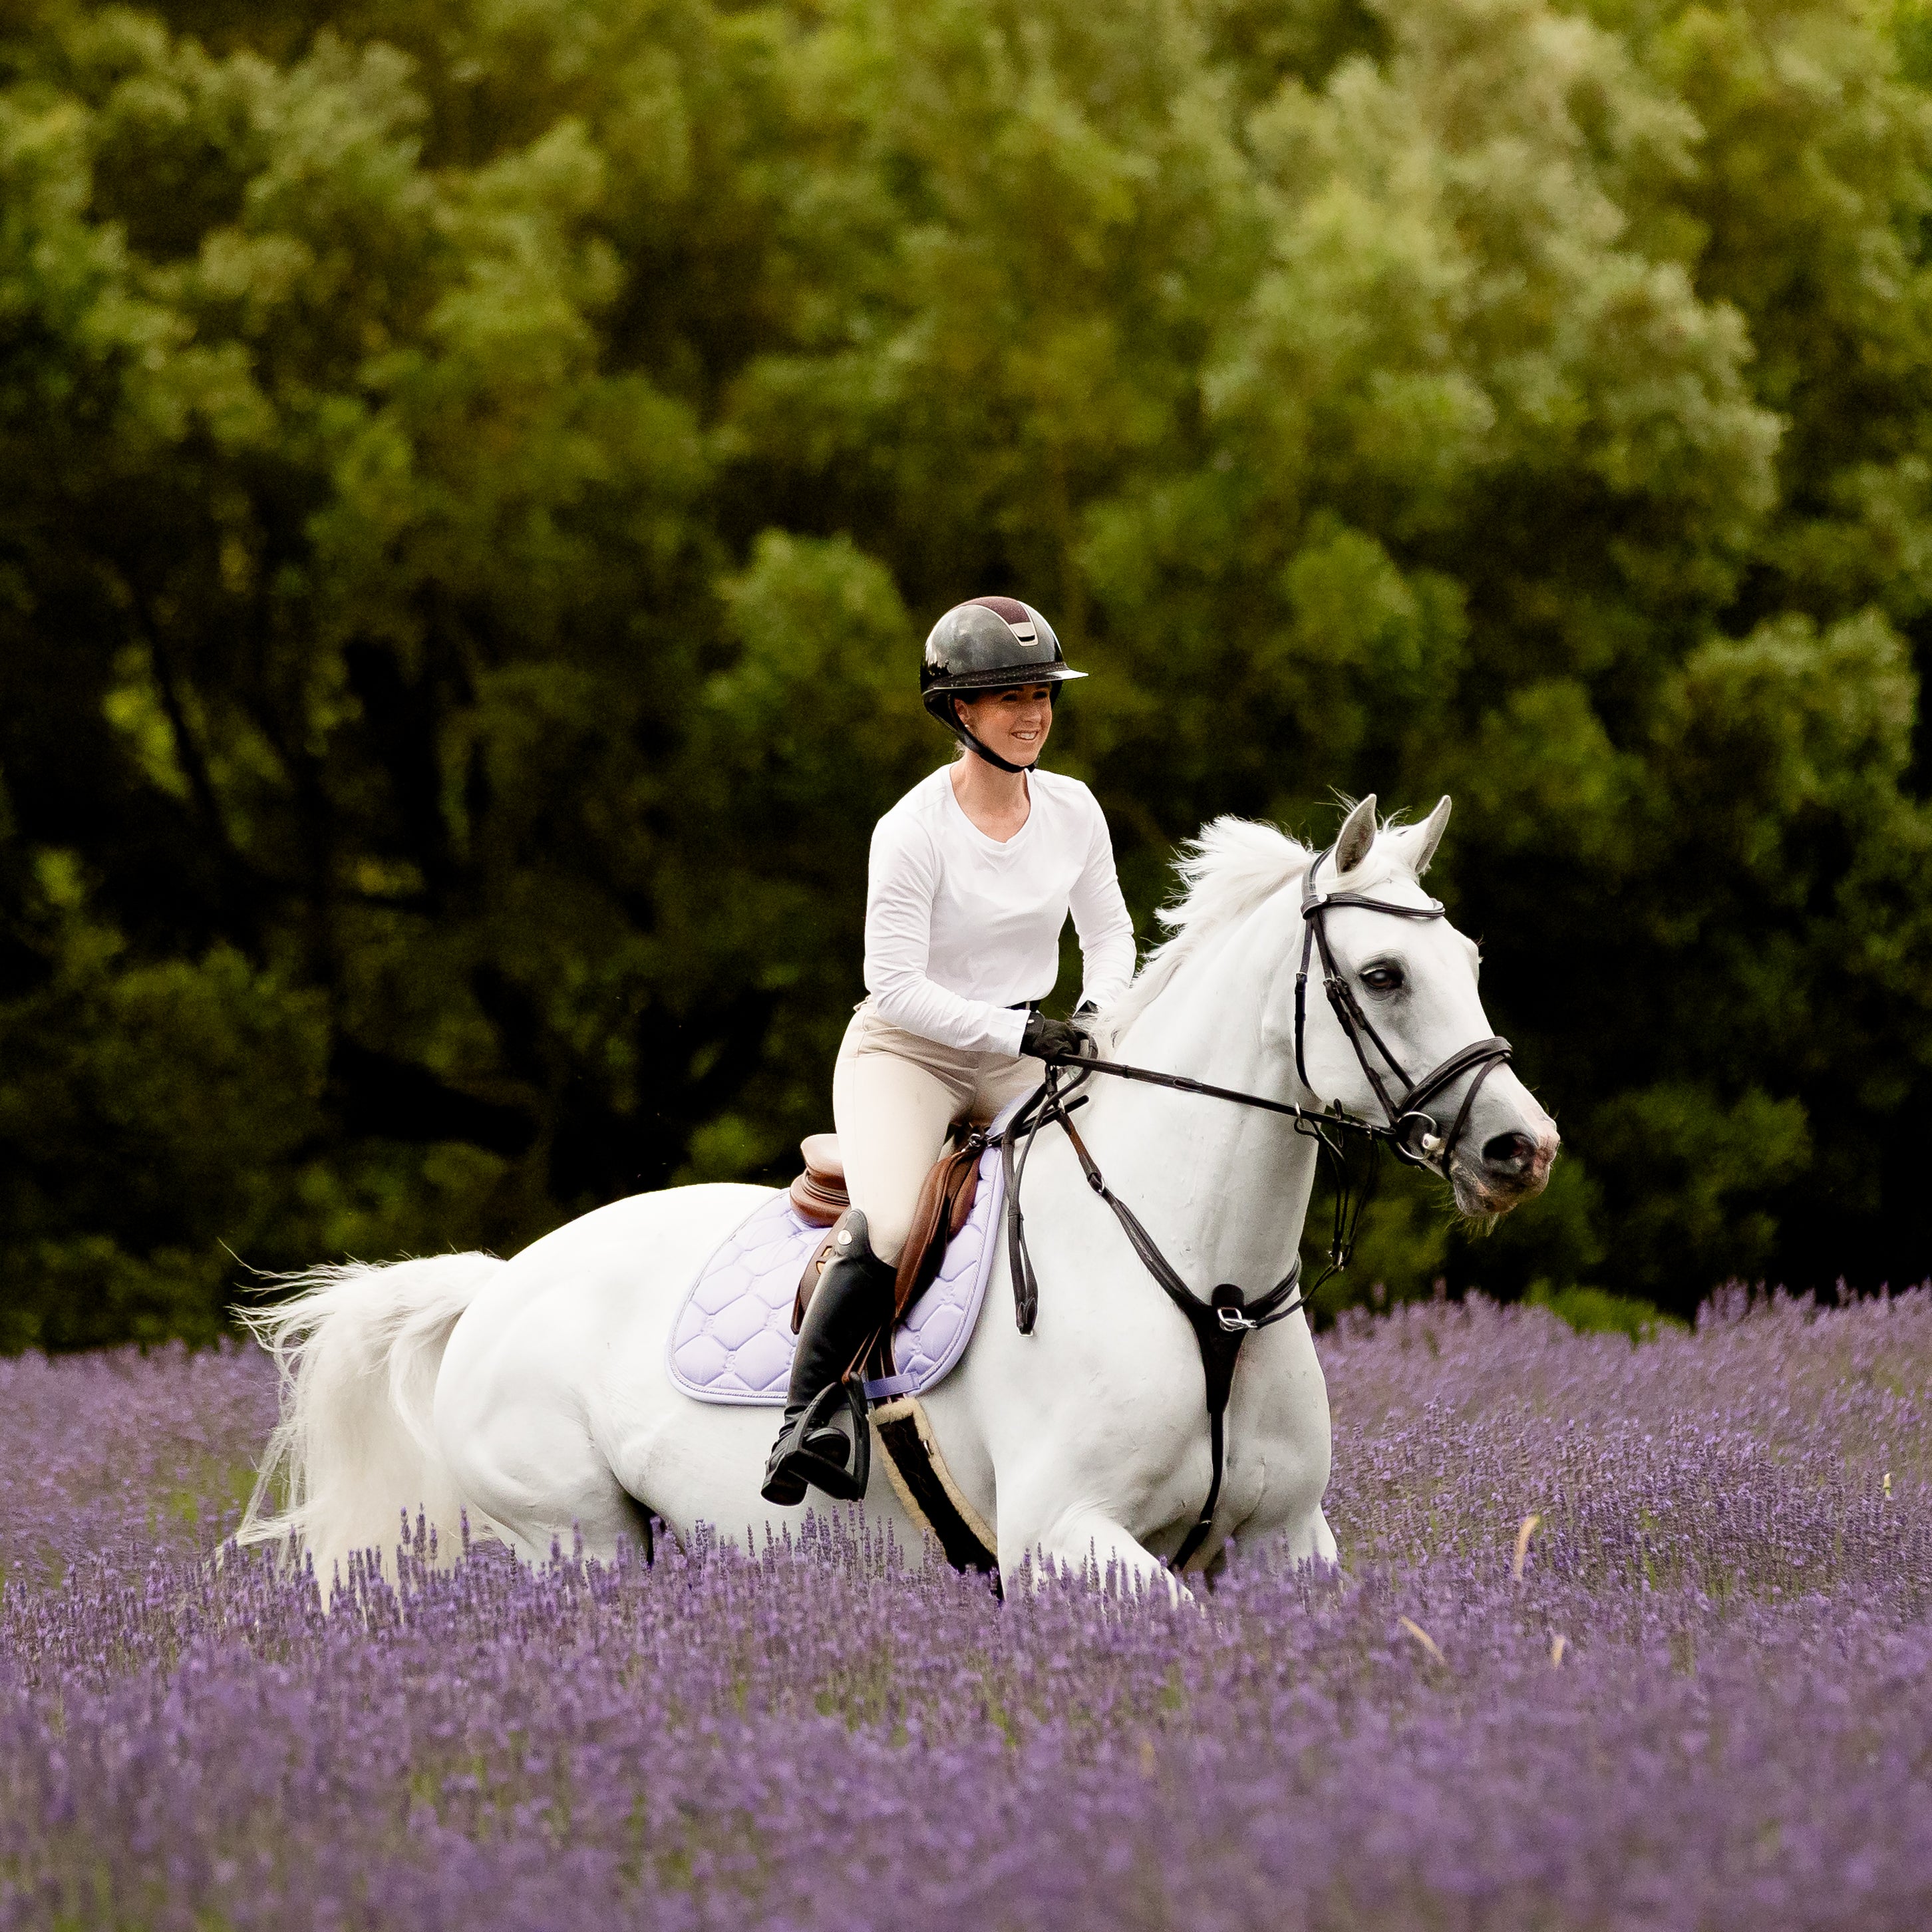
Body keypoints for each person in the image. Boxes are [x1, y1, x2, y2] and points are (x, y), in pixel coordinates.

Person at [761, 595, 1138, 1505]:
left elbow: (1114, 936)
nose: (1035, 712)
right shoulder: (912, 829)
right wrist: (1020, 1032)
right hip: (911, 1052)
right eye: (1009, 696)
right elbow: (893, 987)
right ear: (959, 712)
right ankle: (807, 1417)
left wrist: (1096, 1010)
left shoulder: (1075, 810)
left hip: (1025, 1043)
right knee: (892, 1221)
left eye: (1043, 692)